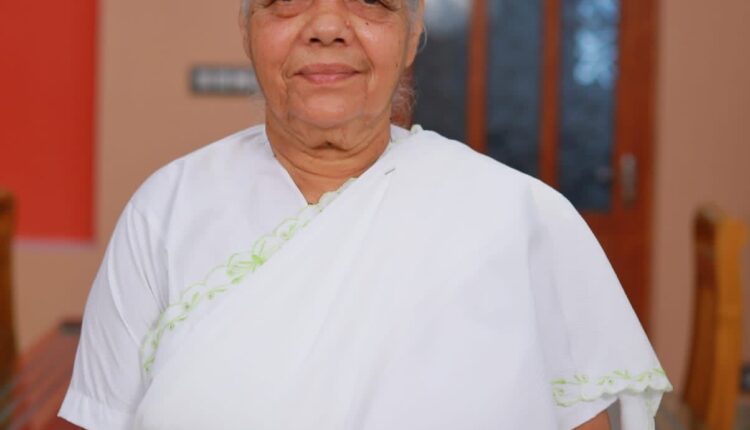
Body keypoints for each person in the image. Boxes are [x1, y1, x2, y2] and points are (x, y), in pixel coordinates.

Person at [58, 0, 671, 428]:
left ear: (412, 29)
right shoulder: (165, 211)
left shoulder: (522, 218)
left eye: (370, 1)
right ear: (247, 27)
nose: (327, 26)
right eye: (286, 1)